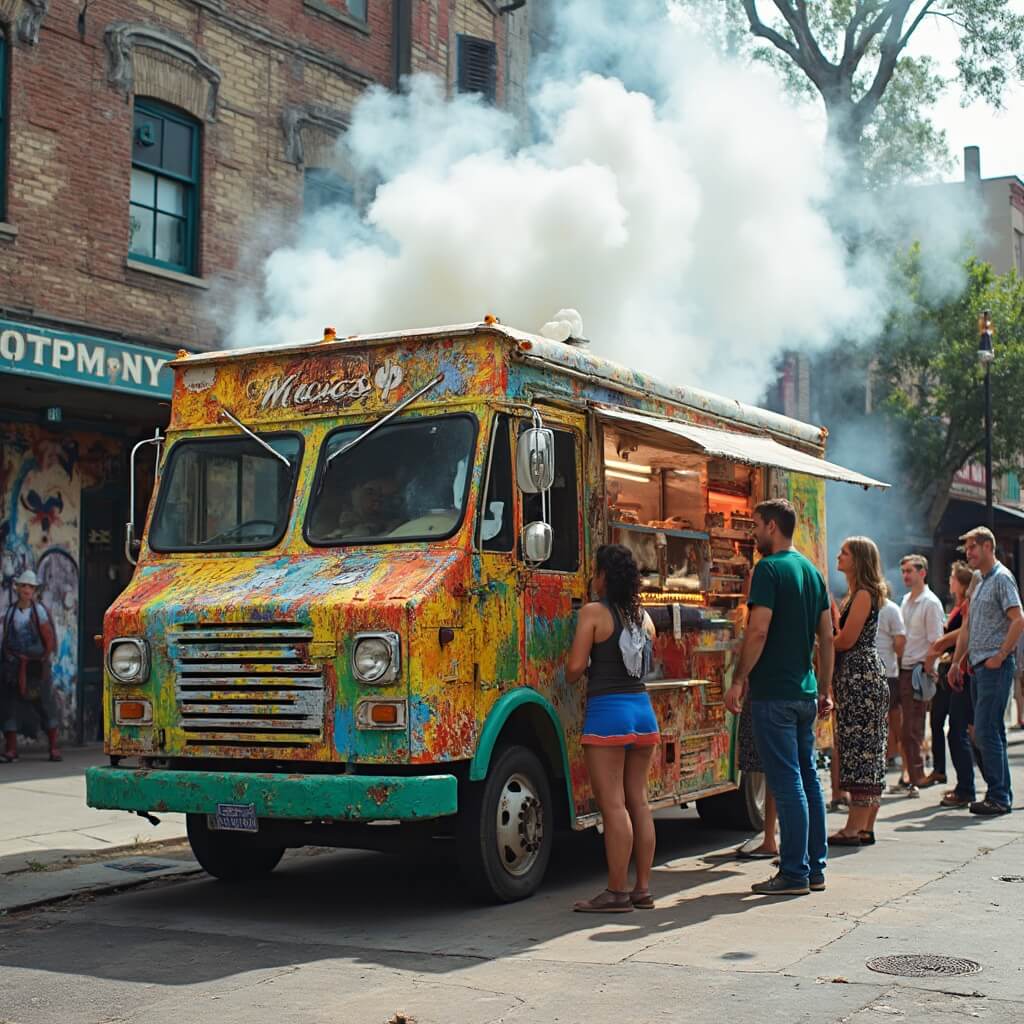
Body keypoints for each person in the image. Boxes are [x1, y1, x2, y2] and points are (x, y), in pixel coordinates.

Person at [724, 499, 834, 897]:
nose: (753, 533)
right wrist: (825, 689)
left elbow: (758, 631)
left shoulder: (768, 569)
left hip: (774, 693)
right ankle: (814, 868)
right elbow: (827, 637)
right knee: (807, 780)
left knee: (787, 783)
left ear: (772, 526)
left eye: (755, 525)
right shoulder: (813, 572)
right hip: (804, 692)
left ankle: (793, 872)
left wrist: (739, 679)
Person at [567, 544, 659, 912]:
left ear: (604, 576)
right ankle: (642, 889)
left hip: (608, 715)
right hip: (643, 714)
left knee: (614, 806)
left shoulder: (593, 613)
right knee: (639, 802)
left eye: (596, 571)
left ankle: (617, 892)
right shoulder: (644, 617)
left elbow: (574, 669)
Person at [949, 527, 1023, 816]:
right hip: (978, 667)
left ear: (988, 547)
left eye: (973, 547)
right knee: (991, 732)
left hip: (995, 667)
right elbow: (969, 626)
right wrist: (958, 661)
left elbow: (1018, 619)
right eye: (967, 548)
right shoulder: (979, 580)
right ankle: (1000, 793)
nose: (968, 553)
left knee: (984, 731)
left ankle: (998, 796)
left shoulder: (1002, 578)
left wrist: (1001, 654)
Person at [828, 538, 891, 847]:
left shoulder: (864, 594)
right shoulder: (855, 595)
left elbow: (846, 639)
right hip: (857, 678)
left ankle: (854, 828)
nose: (839, 556)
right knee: (864, 749)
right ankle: (864, 826)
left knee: (860, 751)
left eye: (845, 553)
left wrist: (822, 641)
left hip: (861, 679)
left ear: (858, 560)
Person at [896, 554, 945, 796]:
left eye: (909, 571)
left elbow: (936, 641)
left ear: (922, 573)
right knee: (906, 726)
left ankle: (917, 776)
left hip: (918, 670)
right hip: (904, 668)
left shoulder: (931, 603)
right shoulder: (905, 600)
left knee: (913, 727)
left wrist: (927, 669)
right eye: (903, 571)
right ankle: (912, 774)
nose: (905, 576)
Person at [1, 570, 60, 763]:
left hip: (35, 668)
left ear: (35, 590)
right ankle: (11, 749)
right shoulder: (10, 612)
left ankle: (53, 748)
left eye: (31, 587)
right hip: (14, 667)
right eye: (23, 586)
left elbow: (49, 640)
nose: (27, 589)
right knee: (9, 707)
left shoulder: (40, 612)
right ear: (17, 588)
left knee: (45, 705)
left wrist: (40, 658)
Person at [933, 562, 978, 809]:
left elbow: (964, 633)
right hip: (958, 669)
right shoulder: (960, 606)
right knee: (967, 730)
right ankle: (970, 786)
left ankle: (969, 788)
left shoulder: (967, 606)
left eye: (952, 577)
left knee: (966, 731)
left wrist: (940, 644)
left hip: (965, 671)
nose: (949, 581)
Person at [734, 708, 779, 861]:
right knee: (795, 775)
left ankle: (773, 841)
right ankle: (796, 849)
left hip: (772, 704)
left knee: (776, 772)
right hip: (798, 703)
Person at [876, 590, 906, 775]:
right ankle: (888, 755)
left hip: (888, 672)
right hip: (876, 672)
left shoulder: (890, 609)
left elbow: (900, 641)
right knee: (882, 718)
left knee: (893, 717)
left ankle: (897, 757)